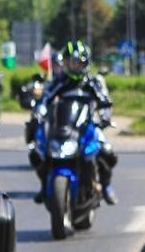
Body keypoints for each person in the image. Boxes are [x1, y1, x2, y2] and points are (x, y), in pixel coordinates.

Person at [34, 40, 117, 204]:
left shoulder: (92, 83)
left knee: (107, 152)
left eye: (78, 63)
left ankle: (106, 186)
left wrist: (105, 117)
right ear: (64, 63)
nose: (75, 66)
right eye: (71, 62)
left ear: (85, 63)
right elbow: (45, 99)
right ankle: (44, 187)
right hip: (63, 127)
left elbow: (104, 100)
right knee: (37, 152)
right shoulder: (59, 82)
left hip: (87, 126)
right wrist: (39, 112)